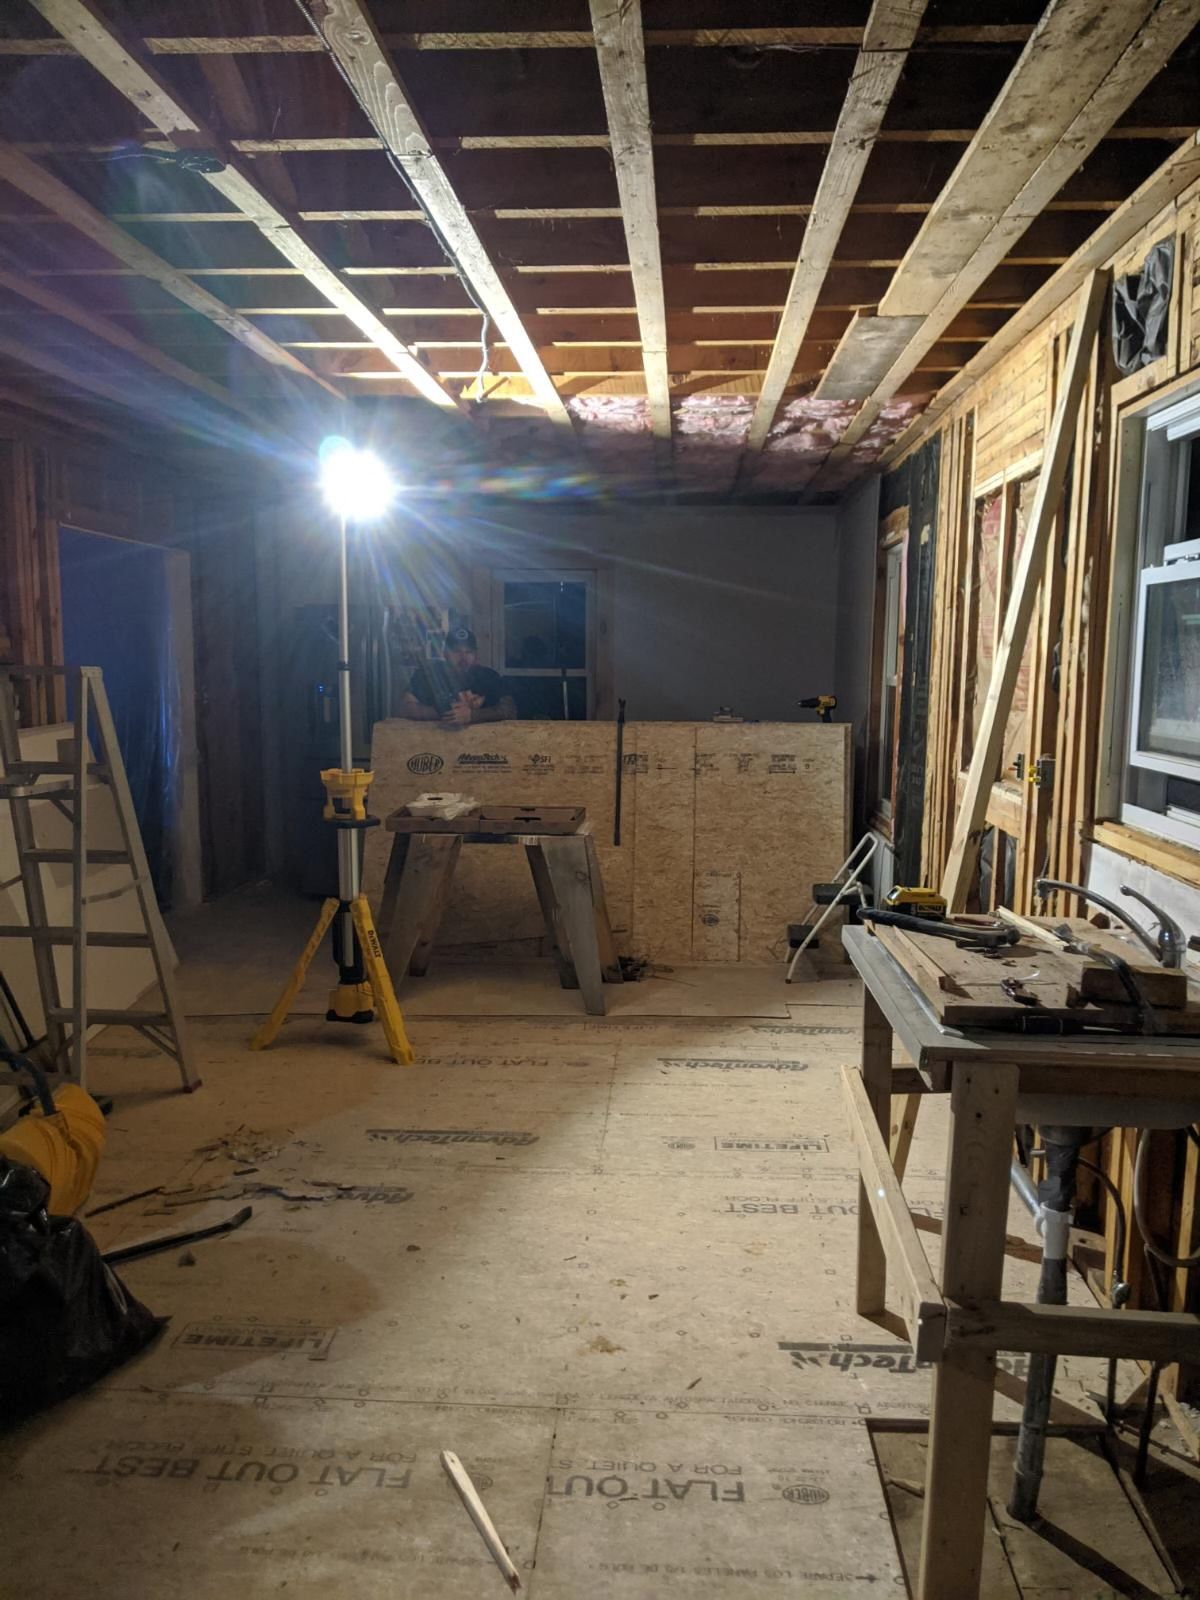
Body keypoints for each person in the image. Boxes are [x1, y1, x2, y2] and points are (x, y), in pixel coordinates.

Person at [400, 627, 516, 726]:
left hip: (480, 746)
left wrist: (472, 715)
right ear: (445, 653)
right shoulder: (429, 674)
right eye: (456, 651)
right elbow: (404, 708)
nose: (463, 657)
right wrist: (446, 712)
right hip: (435, 744)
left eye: (468, 652)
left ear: (476, 654)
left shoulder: (488, 676)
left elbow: (510, 710)